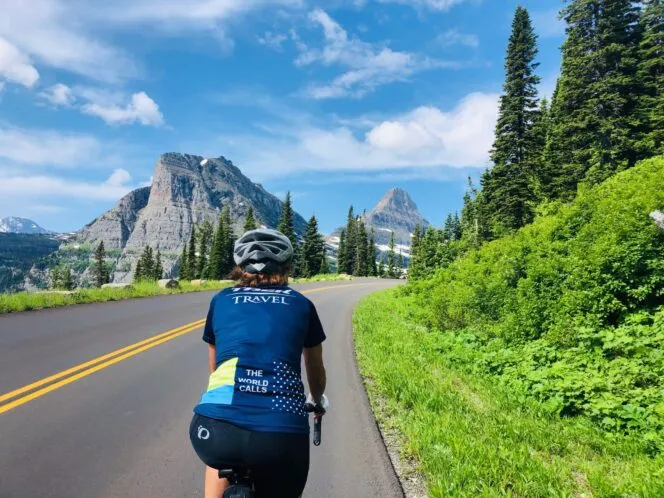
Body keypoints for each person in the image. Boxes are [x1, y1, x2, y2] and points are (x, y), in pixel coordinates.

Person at [189, 228, 328, 498]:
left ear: (239, 267)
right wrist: (318, 398)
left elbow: (216, 369)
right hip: (282, 433)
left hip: (215, 428)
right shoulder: (302, 304)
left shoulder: (221, 301)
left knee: (217, 462)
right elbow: (315, 368)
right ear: (286, 266)